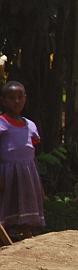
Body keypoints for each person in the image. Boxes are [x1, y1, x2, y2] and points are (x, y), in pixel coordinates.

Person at [0, 81, 45, 240]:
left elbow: (32, 155)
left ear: (25, 98)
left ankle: (26, 237)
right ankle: (6, 241)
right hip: (7, 172)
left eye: (20, 97)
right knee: (7, 205)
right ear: (3, 100)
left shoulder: (30, 126)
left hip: (28, 172)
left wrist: (38, 183)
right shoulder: (2, 123)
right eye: (12, 98)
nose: (16, 101)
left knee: (26, 204)